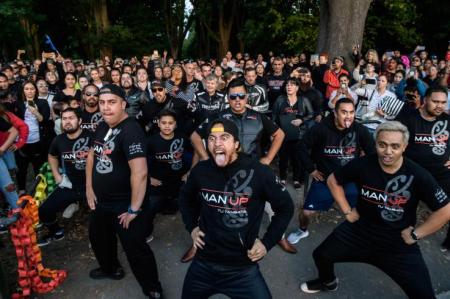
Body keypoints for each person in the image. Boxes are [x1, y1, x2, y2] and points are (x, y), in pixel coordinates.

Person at [300, 121, 450, 298]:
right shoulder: (362, 164)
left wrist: (417, 234)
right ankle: (328, 282)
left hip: (397, 244)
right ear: (376, 143)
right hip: (359, 232)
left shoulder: (418, 174)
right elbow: (333, 180)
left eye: (395, 146)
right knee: (321, 255)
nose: (387, 151)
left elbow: (445, 210)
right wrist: (347, 211)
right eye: (382, 145)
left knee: (424, 295)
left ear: (404, 147)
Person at [179, 118, 294, 299]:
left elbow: (285, 207)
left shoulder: (259, 172)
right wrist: (192, 228)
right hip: (204, 265)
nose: (217, 143)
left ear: (237, 144)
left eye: (224, 137)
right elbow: (185, 198)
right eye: (211, 138)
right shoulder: (200, 171)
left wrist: (266, 243)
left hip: (242, 268)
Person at [86, 84, 162, 298]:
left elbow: (140, 173)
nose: (106, 108)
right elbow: (92, 155)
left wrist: (134, 209)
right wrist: (89, 188)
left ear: (123, 104)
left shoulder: (131, 130)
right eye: (102, 103)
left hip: (125, 203)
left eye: (111, 102)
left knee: (135, 248)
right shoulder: (101, 126)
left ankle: (152, 288)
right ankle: (111, 268)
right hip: (101, 200)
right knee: (99, 237)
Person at [287, 98, 375, 245]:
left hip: (351, 180)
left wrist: (363, 166)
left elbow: (372, 152)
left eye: (352, 112)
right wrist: (312, 169)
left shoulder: (359, 129)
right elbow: (300, 148)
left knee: (363, 210)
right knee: (306, 213)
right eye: (344, 112)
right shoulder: (320, 128)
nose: (348, 116)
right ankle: (303, 230)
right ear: (335, 113)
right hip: (325, 179)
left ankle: (357, 234)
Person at [396, 86, 450, 253]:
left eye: (443, 102)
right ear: (425, 100)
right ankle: (400, 239)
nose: (439, 106)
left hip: (441, 173)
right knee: (402, 209)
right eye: (435, 101)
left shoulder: (448, 120)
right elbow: (395, 140)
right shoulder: (408, 119)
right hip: (413, 173)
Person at [38, 108, 92, 246]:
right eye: (64, 119)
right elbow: (52, 155)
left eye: (71, 118)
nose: (67, 121)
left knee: (103, 215)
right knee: (44, 210)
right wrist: (57, 176)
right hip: (71, 186)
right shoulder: (59, 140)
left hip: (93, 185)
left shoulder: (92, 137)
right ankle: (55, 232)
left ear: (79, 121)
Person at [146, 109, 189, 223]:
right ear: (159, 123)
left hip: (179, 184)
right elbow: (141, 163)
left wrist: (189, 173)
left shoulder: (182, 138)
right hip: (159, 185)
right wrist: (148, 178)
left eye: (170, 123)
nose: (167, 126)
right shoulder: (151, 141)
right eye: (164, 123)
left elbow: (194, 155)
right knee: (148, 209)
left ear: (175, 124)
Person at [272, 78, 314, 188]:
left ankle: (296, 179)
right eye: (287, 85)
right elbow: (274, 117)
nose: (289, 86)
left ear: (297, 88)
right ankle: (282, 178)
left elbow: (311, 114)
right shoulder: (280, 99)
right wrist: (274, 132)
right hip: (283, 133)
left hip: (299, 134)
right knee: (283, 157)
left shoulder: (303, 100)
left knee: (297, 157)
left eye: (292, 85)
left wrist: (301, 120)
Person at [15, 81, 50, 195]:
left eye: (32, 89)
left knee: (38, 167)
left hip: (38, 141)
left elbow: (44, 121)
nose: (29, 91)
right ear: (23, 91)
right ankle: (21, 190)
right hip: (22, 141)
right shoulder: (18, 104)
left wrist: (35, 112)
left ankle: (40, 191)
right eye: (26, 89)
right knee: (21, 168)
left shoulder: (42, 102)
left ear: (36, 90)